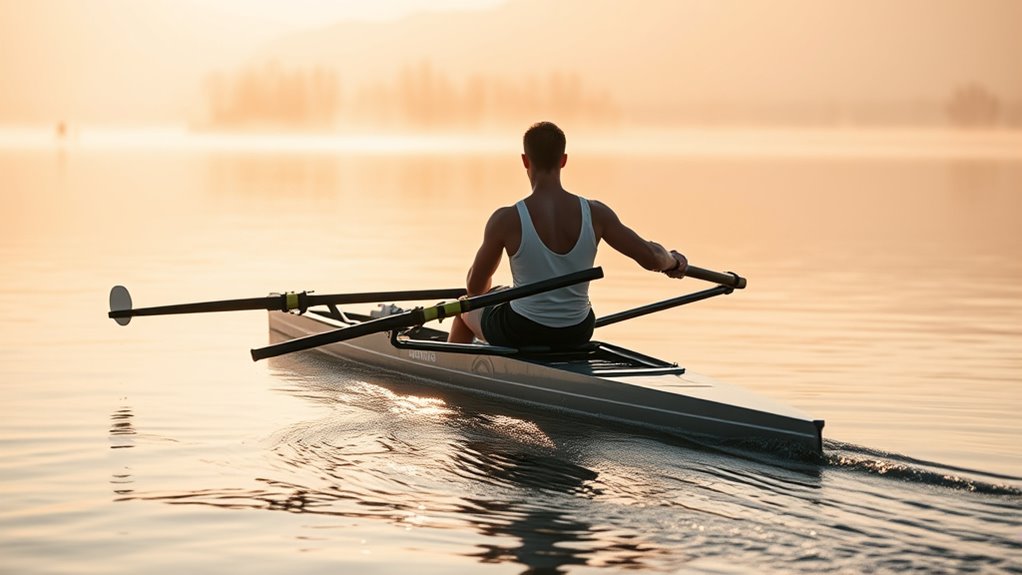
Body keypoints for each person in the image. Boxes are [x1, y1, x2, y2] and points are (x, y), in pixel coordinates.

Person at [447, 121, 687, 347]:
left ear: (525, 160)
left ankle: (453, 382)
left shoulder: (505, 220)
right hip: (577, 330)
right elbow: (651, 258)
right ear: (563, 160)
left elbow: (475, 289)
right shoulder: (596, 214)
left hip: (522, 329)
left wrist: (493, 294)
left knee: (462, 309)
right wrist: (673, 260)